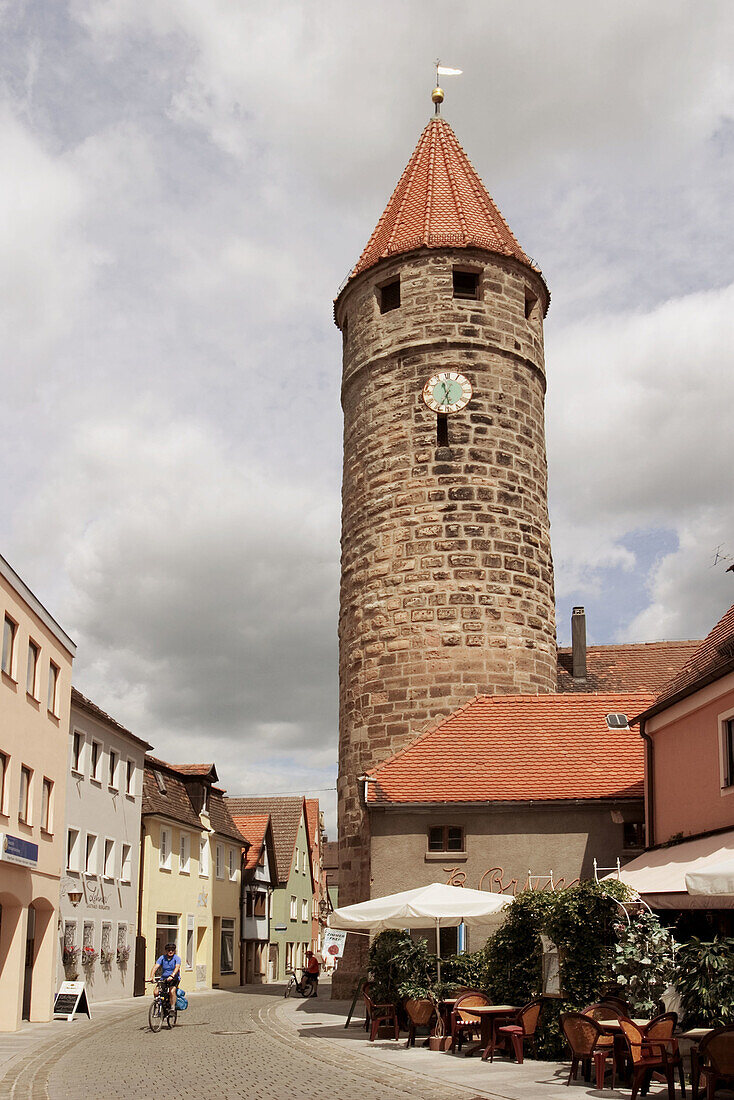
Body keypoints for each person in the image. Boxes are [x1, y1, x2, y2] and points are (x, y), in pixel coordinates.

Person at [150, 942, 181, 1011]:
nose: (170, 951)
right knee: (156, 992)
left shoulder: (177, 958)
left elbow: (177, 967)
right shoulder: (162, 958)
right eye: (168, 950)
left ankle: (172, 1007)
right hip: (164, 978)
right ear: (166, 951)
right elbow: (155, 967)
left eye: (172, 950)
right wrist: (151, 976)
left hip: (174, 978)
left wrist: (172, 975)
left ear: (174, 951)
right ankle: (158, 1005)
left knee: (172, 991)